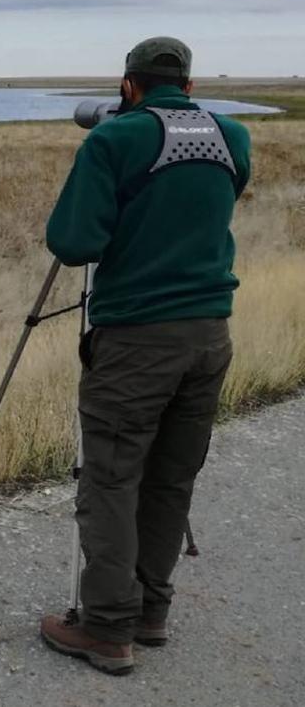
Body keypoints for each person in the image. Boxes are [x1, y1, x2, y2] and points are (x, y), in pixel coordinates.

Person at [38, 37, 252, 675]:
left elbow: (73, 243)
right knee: (170, 475)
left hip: (136, 339)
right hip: (210, 333)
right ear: (188, 86)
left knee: (109, 479)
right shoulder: (233, 136)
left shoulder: (112, 141)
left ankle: (105, 628)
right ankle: (152, 612)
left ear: (126, 85)